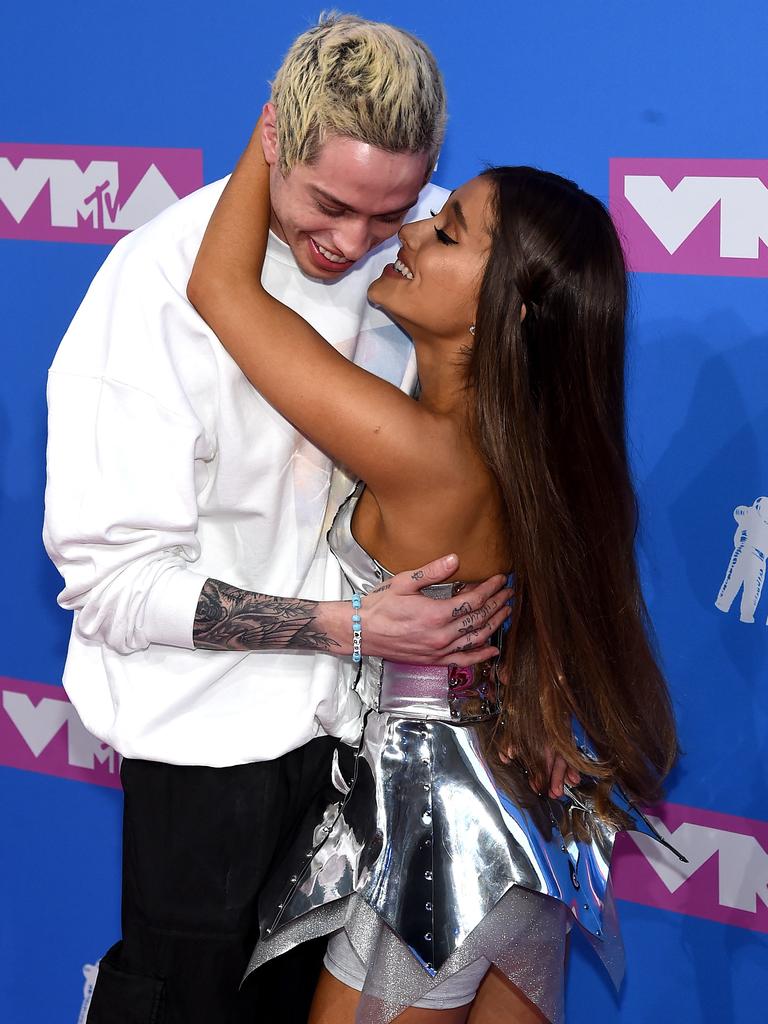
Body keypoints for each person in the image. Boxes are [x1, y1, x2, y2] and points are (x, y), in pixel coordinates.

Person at [43, 15, 511, 1024]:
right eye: (330, 204)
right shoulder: (156, 287)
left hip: (366, 757)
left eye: (392, 212)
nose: (355, 244)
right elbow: (117, 586)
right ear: (274, 142)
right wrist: (346, 627)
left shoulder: (429, 255)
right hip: (208, 766)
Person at [186, 125, 682, 1024]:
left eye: (447, 231)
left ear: (515, 308)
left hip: (435, 859)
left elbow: (219, 289)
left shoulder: (424, 452)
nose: (412, 231)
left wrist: (281, 130)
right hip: (521, 840)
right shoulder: (528, 450)